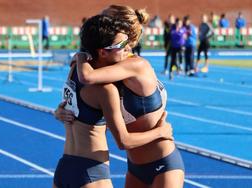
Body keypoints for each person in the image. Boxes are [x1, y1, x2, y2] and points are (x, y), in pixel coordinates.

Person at [56, 5, 184, 188]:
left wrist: (82, 55)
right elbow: (85, 103)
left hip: (163, 162)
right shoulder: (106, 66)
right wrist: (63, 111)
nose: (102, 23)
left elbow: (87, 77)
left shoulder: (136, 65)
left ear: (121, 30)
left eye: (107, 21)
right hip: (134, 167)